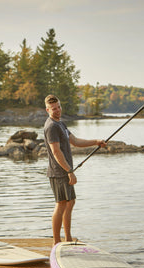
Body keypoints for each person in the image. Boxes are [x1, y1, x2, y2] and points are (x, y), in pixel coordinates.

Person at [44, 94, 106, 246]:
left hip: (65, 171)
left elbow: (75, 141)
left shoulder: (60, 124)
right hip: (58, 172)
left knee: (70, 202)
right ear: (47, 110)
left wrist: (95, 142)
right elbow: (56, 152)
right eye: (53, 109)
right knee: (61, 204)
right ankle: (57, 242)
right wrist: (69, 171)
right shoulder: (51, 126)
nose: (57, 110)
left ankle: (68, 238)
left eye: (58, 107)